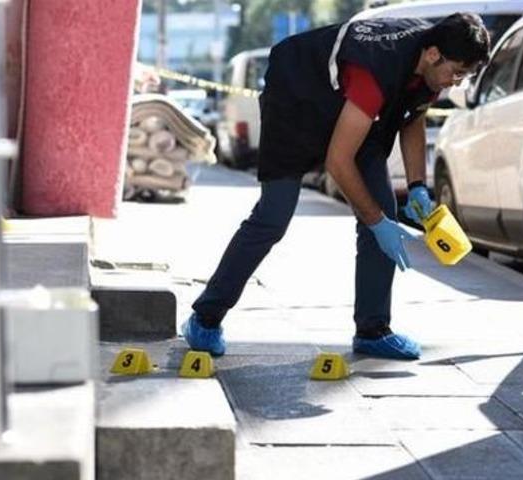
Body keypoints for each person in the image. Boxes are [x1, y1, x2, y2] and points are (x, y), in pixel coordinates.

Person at [183, 13, 490, 360]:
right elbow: (338, 163)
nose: (455, 83)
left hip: (354, 116)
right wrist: (375, 222)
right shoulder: (375, 70)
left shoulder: (432, 65)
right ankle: (206, 317)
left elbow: (413, 118)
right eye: (457, 73)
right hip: (296, 107)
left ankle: (373, 330)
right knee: (273, 217)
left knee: (383, 211)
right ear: (434, 55)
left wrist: (419, 185)